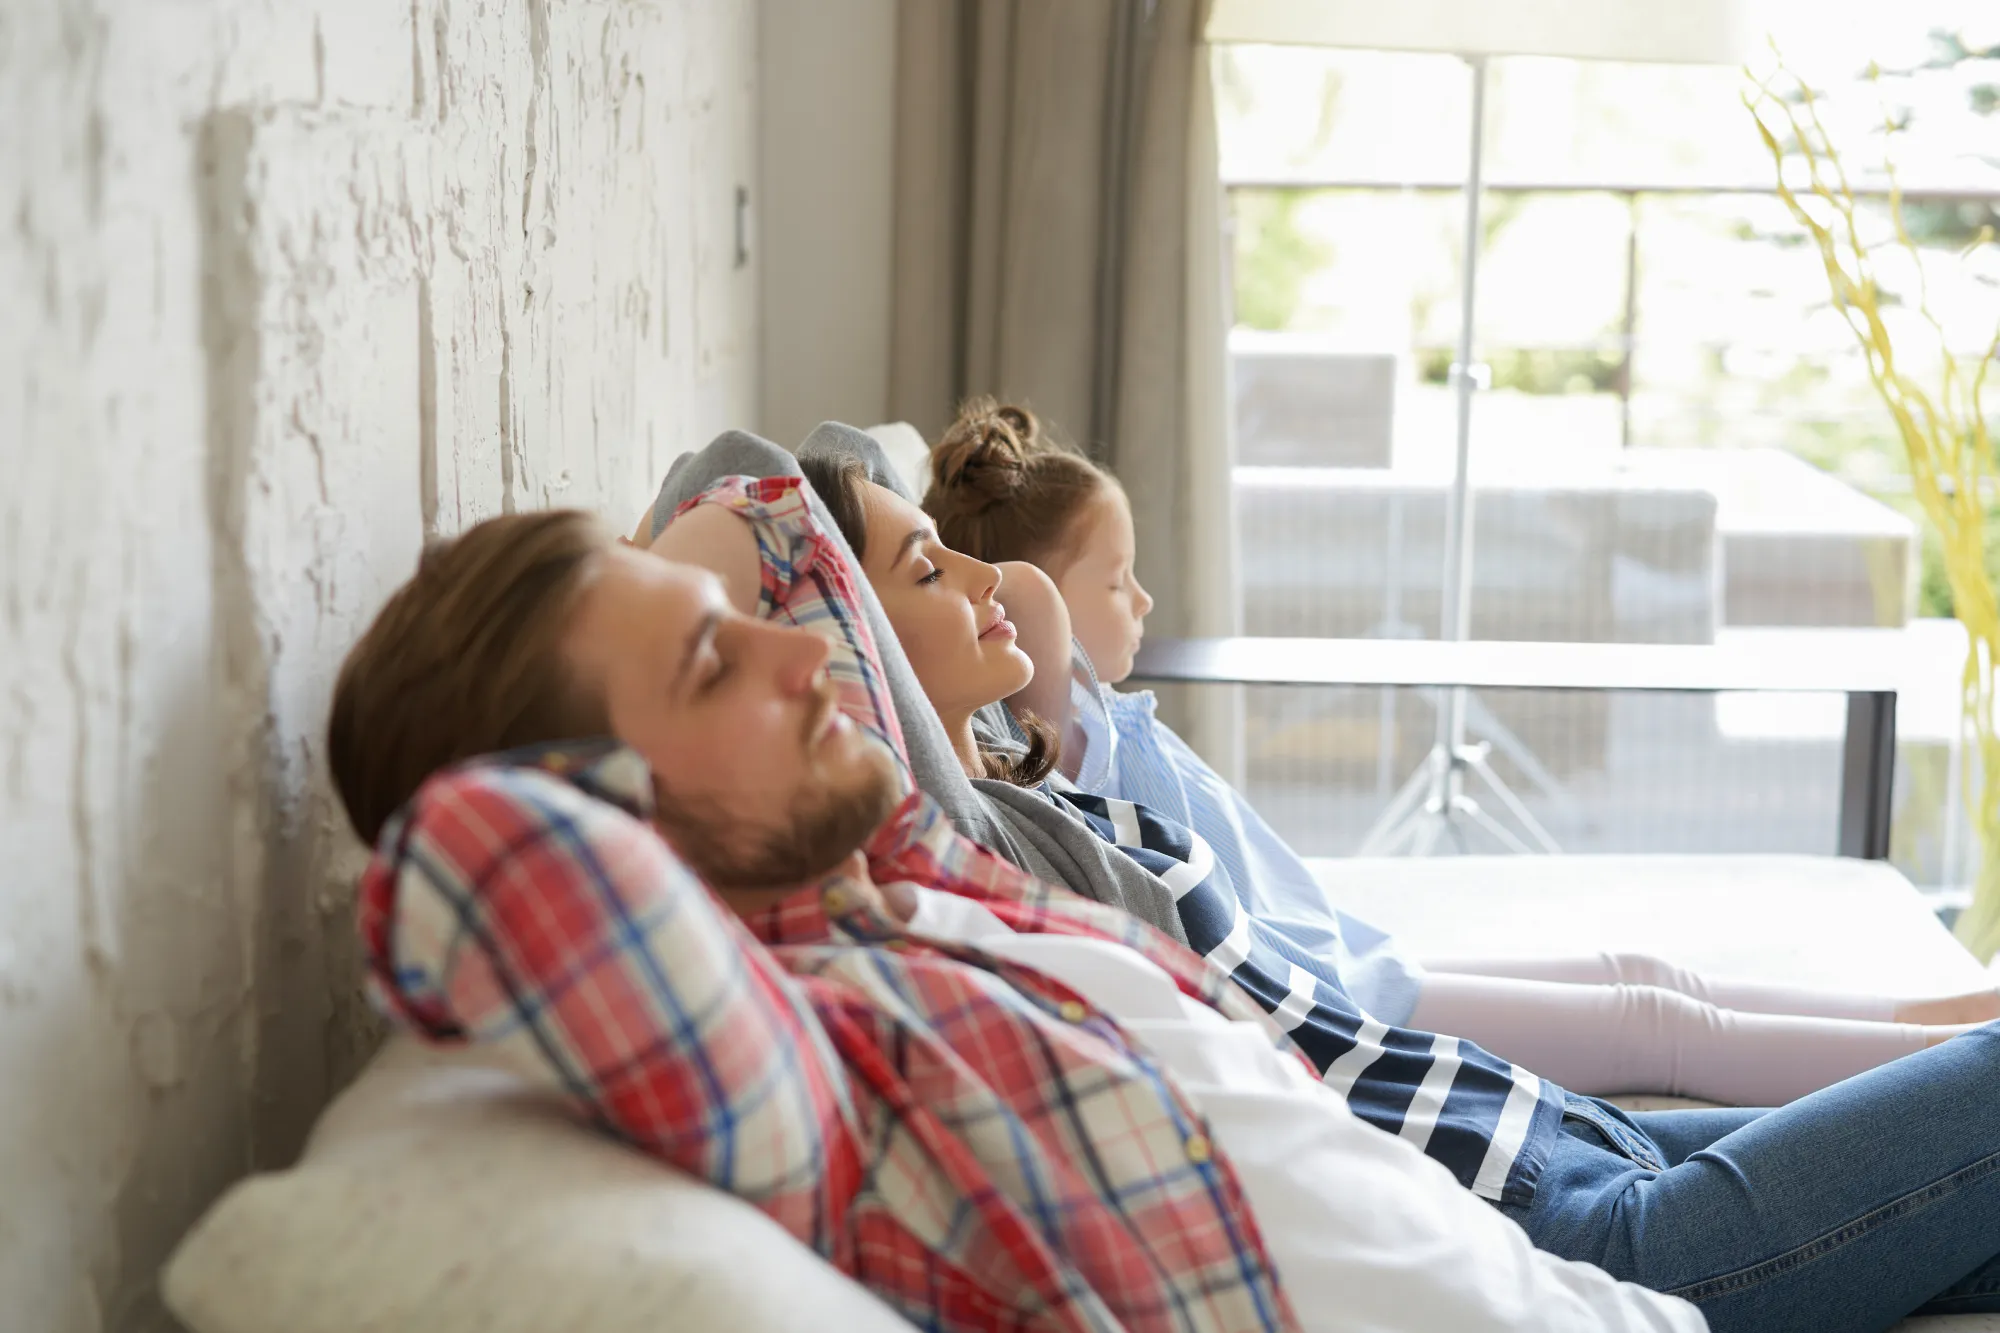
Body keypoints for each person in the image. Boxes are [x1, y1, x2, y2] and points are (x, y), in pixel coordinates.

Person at [330, 435, 1700, 1332]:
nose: (812, 662)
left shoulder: (894, 879)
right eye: (712, 663)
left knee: (1686, 1016)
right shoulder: (812, 1047)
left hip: (1558, 1268)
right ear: (599, 815)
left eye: (764, 630)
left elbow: (773, 503)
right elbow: (472, 865)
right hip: (1585, 1255)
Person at [782, 424, 2000, 1330]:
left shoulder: (1025, 784)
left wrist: (912, 546)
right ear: (854, 645)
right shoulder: (963, 865)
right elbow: (767, 498)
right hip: (1575, 1232)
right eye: (928, 571)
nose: (989, 581)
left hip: (1554, 1135)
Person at [912, 396, 2000, 1106]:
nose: (1141, 598)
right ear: (1028, 593)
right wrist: (982, 559)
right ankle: (1945, 1082)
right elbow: (1028, 605)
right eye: (1113, 577)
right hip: (1348, 1008)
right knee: (1651, 1029)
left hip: (1355, 955)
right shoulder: (1047, 739)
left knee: (1645, 975)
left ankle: (1940, 1016)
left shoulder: (1090, 718)